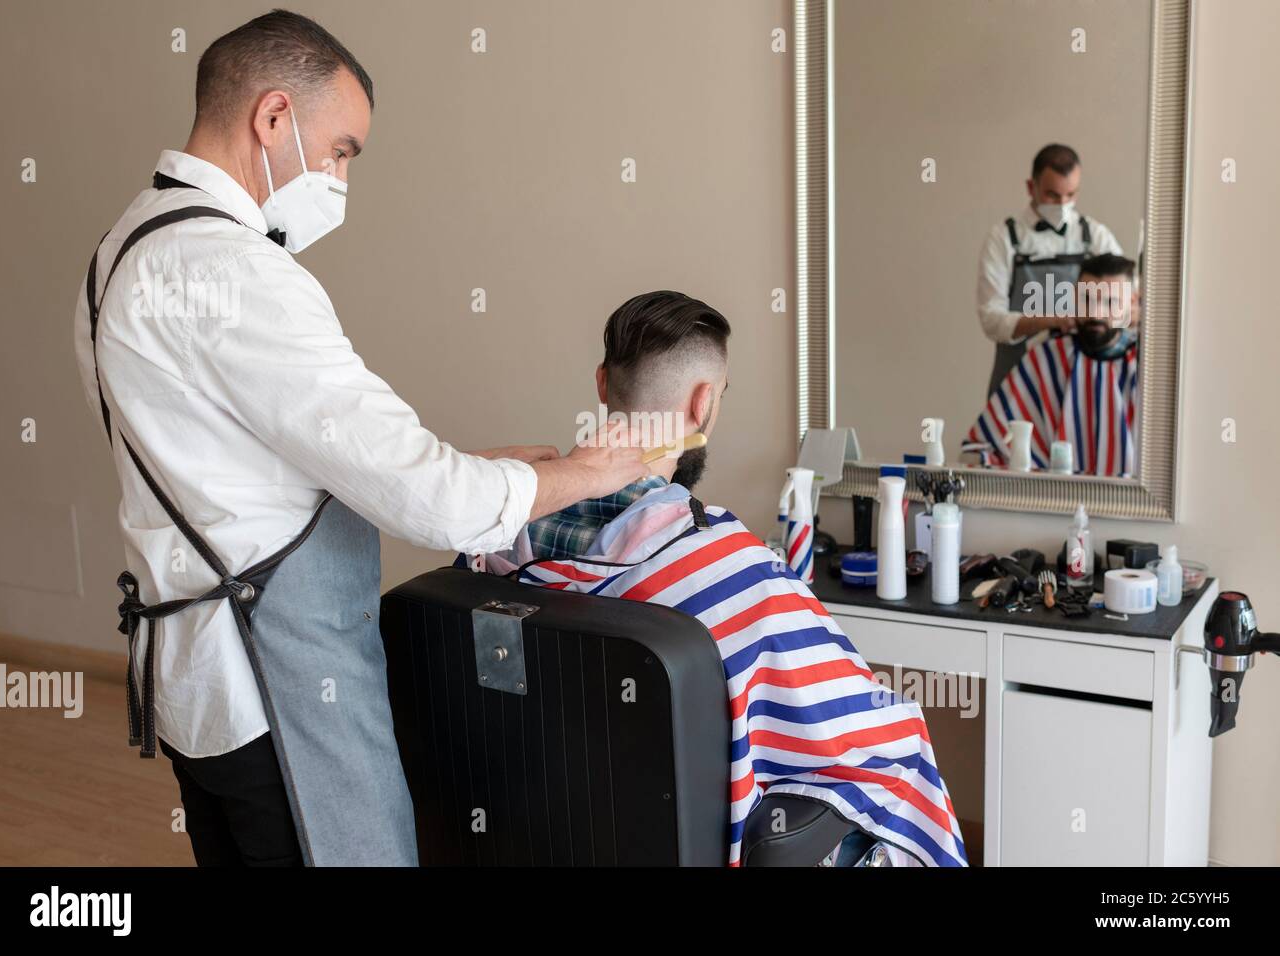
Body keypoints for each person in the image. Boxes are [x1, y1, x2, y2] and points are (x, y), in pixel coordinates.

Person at [72, 10, 652, 867]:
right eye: (341, 151)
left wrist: (484, 465)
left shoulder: (119, 252)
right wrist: (584, 469)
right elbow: (441, 506)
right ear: (273, 118)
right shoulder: (241, 274)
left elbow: (235, 467)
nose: (342, 178)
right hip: (280, 692)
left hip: (197, 689)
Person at [471, 291, 968, 867]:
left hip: (548, 832)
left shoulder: (492, 541)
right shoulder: (729, 567)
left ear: (603, 385)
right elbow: (872, 736)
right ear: (704, 406)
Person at [963, 253, 1141, 477]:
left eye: (1109, 302)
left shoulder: (1146, 366)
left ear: (1131, 302)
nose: (1096, 312)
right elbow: (982, 446)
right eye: (1087, 300)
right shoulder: (1046, 359)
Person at [977, 144, 1124, 395]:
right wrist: (1052, 320)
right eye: (1052, 195)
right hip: (1018, 379)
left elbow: (1123, 304)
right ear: (1030, 187)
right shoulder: (1003, 238)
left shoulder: (1096, 236)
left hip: (1080, 378)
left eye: (1071, 195)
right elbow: (991, 319)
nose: (1062, 203)